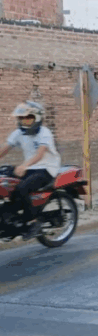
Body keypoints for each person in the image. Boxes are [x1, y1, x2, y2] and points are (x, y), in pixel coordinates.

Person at [0, 101, 61, 240]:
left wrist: (24, 165)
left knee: (22, 187)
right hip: (29, 168)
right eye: (22, 118)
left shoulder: (44, 133)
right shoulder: (18, 133)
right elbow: (5, 148)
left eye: (28, 118)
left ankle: (33, 222)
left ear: (37, 118)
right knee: (4, 178)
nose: (25, 121)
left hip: (46, 169)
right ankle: (10, 215)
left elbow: (40, 154)